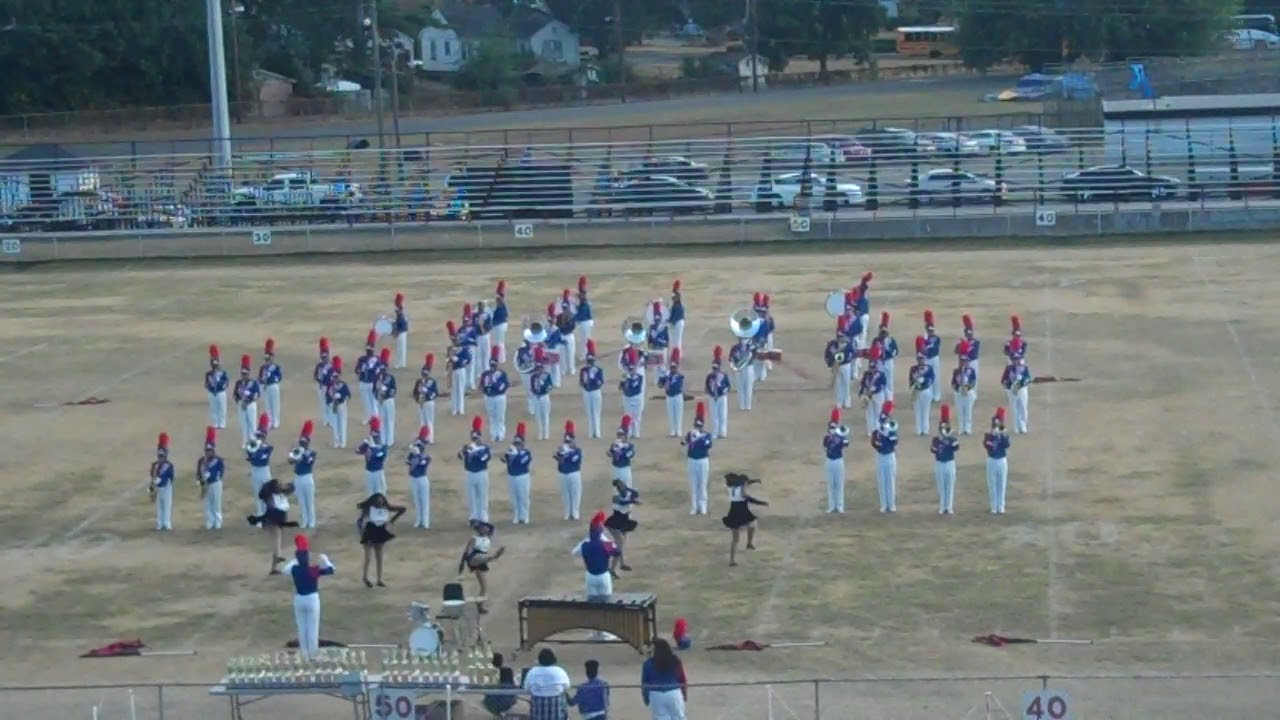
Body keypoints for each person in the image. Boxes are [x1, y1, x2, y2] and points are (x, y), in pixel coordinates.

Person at [284, 534, 335, 659]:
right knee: (313, 628)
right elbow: (331, 570)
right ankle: (313, 655)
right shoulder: (313, 570)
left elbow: (284, 570)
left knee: (302, 628)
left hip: (299, 599)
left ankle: (304, 654)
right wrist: (326, 560)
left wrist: (295, 559)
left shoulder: (295, 569)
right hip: (312, 599)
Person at [247, 476, 298, 575]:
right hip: (271, 521)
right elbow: (270, 513)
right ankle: (278, 557)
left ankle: (273, 568)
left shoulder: (280, 495)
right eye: (279, 485)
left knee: (277, 542)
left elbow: (290, 488)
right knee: (277, 538)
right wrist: (258, 519)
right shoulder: (271, 499)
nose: (281, 486)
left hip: (277, 521)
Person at [356, 492, 405, 587]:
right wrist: (361, 532)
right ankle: (365, 577)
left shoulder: (386, 508)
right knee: (368, 557)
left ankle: (379, 579)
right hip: (370, 531)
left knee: (379, 557)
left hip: (380, 531)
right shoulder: (369, 508)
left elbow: (402, 509)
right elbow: (359, 521)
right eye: (378, 501)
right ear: (374, 501)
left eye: (381, 500)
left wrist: (393, 520)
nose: (380, 502)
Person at [459, 520, 505, 613]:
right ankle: (493, 557)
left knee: (484, 586)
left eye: (485, 528)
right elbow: (466, 552)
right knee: (486, 557)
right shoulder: (474, 538)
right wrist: (462, 564)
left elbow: (492, 529)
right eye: (482, 528)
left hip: (482, 561)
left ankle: (480, 605)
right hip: (474, 558)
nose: (484, 529)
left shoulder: (488, 537)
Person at [722, 473, 767, 567]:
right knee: (752, 524)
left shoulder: (730, 487)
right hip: (742, 509)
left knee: (735, 538)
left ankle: (732, 560)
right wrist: (761, 503)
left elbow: (747, 483)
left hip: (733, 510)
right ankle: (749, 543)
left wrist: (755, 481)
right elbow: (745, 496)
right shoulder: (742, 487)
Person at [640, 638, 688, 720]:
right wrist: (684, 694)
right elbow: (682, 679)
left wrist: (646, 698)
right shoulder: (675, 661)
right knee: (679, 717)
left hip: (656, 694)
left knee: (660, 718)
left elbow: (645, 683)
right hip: (674, 692)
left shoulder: (647, 664)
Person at [603, 478, 640, 576]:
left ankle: (621, 564)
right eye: (622, 486)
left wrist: (628, 489)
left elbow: (636, 493)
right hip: (615, 522)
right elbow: (621, 502)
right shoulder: (615, 495)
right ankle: (612, 569)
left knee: (621, 544)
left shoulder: (626, 491)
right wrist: (632, 501)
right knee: (619, 545)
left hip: (624, 521)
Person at [523, 647, 572, 720]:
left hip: (538, 709)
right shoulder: (560, 671)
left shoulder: (532, 671)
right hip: (556, 710)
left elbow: (526, 687)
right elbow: (567, 686)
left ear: (539, 660)